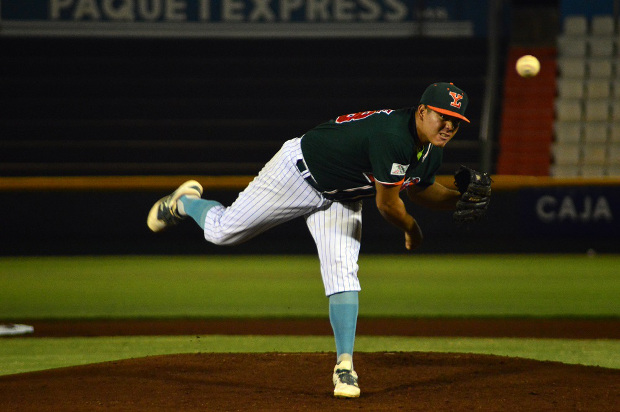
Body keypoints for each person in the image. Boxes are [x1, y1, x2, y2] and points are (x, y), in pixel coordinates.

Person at [147, 82, 470, 398]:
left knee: (343, 271)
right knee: (222, 232)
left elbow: (421, 189)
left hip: (342, 195)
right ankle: (186, 201)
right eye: (442, 116)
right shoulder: (394, 136)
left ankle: (345, 366)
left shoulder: (430, 150)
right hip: (297, 174)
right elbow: (387, 204)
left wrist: (460, 199)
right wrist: (413, 230)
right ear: (422, 111)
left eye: (456, 120)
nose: (448, 125)